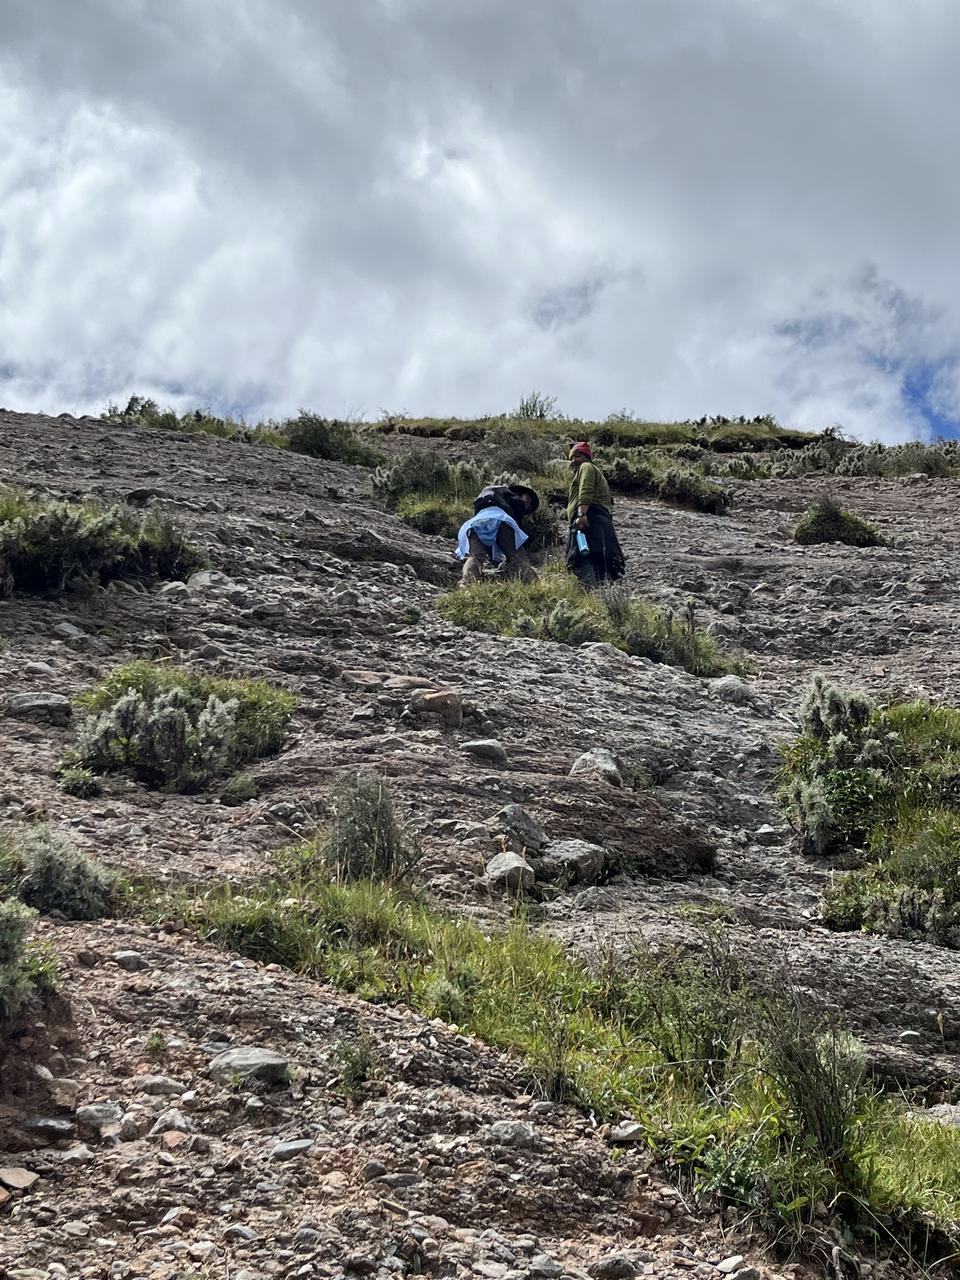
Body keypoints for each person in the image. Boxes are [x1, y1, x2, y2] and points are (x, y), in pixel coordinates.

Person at [565, 442, 625, 587]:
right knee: (602, 561)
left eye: (577, 456)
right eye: (572, 457)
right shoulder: (592, 471)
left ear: (586, 457)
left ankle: (589, 593)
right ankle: (604, 594)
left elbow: (586, 489)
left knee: (582, 558)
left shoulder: (586, 467)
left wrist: (581, 514)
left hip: (589, 518)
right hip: (598, 520)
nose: (574, 460)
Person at [456, 483, 539, 585]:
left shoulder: (488, 496)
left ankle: (467, 582)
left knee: (475, 556)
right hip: (501, 521)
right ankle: (533, 582)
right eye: (528, 500)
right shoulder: (517, 501)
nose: (527, 504)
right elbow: (513, 532)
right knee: (517, 556)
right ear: (521, 494)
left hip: (475, 523)